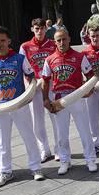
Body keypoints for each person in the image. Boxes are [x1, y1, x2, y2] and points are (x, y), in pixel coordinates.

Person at [0, 27, 43, 187]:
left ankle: (36, 168)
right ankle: (5, 172)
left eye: (2, 40)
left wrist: (30, 93)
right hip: (0, 108)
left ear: (9, 41)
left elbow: (31, 76)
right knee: (2, 142)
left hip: (19, 104)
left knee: (28, 136)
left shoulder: (20, 58)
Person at [42, 29, 98, 175]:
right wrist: (45, 99)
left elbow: (91, 75)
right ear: (54, 41)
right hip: (59, 101)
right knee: (61, 133)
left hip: (76, 98)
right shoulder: (49, 60)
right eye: (58, 40)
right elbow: (45, 81)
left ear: (69, 39)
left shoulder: (79, 57)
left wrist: (89, 90)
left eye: (64, 39)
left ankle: (90, 159)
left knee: (84, 130)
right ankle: (65, 161)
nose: (61, 42)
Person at [19, 18, 59, 163]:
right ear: (32, 29)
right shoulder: (25, 46)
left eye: (42, 28)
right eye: (37, 28)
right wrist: (28, 86)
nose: (40, 31)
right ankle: (44, 149)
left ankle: (59, 149)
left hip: (50, 85)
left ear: (46, 29)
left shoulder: (53, 44)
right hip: (34, 87)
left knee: (55, 117)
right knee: (37, 120)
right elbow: (22, 67)